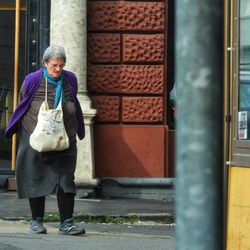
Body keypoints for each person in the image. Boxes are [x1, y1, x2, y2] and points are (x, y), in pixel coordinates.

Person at [4, 45, 86, 235]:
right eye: (54, 65)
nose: (58, 69)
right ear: (45, 63)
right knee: (36, 176)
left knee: (66, 179)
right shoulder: (33, 80)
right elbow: (23, 102)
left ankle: (66, 223)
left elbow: (74, 101)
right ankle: (36, 221)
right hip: (36, 137)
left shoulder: (70, 78)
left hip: (65, 138)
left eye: (61, 65)